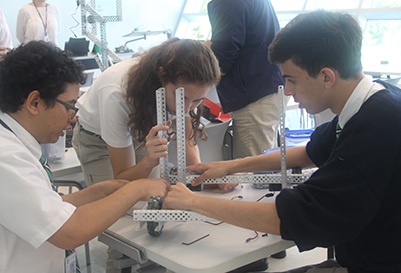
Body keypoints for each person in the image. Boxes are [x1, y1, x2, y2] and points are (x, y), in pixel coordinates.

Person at [164, 10, 401, 273]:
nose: (288, 92)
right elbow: (308, 153)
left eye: (291, 80)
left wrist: (192, 202)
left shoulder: (376, 127)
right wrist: (230, 166)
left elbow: (300, 216)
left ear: (327, 77)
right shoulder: (378, 98)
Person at [0, 40, 169, 272]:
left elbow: (37, 207)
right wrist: (137, 188)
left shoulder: (16, 143)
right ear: (35, 102)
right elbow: (69, 232)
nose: (73, 116)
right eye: (69, 105)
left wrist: (92, 194)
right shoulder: (6, 158)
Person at [72, 38, 221, 186]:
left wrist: (200, 176)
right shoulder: (117, 94)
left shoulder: (188, 88)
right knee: (114, 197)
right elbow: (123, 180)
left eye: (197, 100)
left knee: (154, 191)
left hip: (141, 127)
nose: (186, 109)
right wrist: (148, 162)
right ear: (161, 76)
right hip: (97, 139)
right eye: (182, 98)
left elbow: (187, 142)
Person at [205, 0, 285, 159]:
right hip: (266, 86)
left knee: (253, 174)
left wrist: (203, 50)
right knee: (267, 165)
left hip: (254, 94)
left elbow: (222, 58)